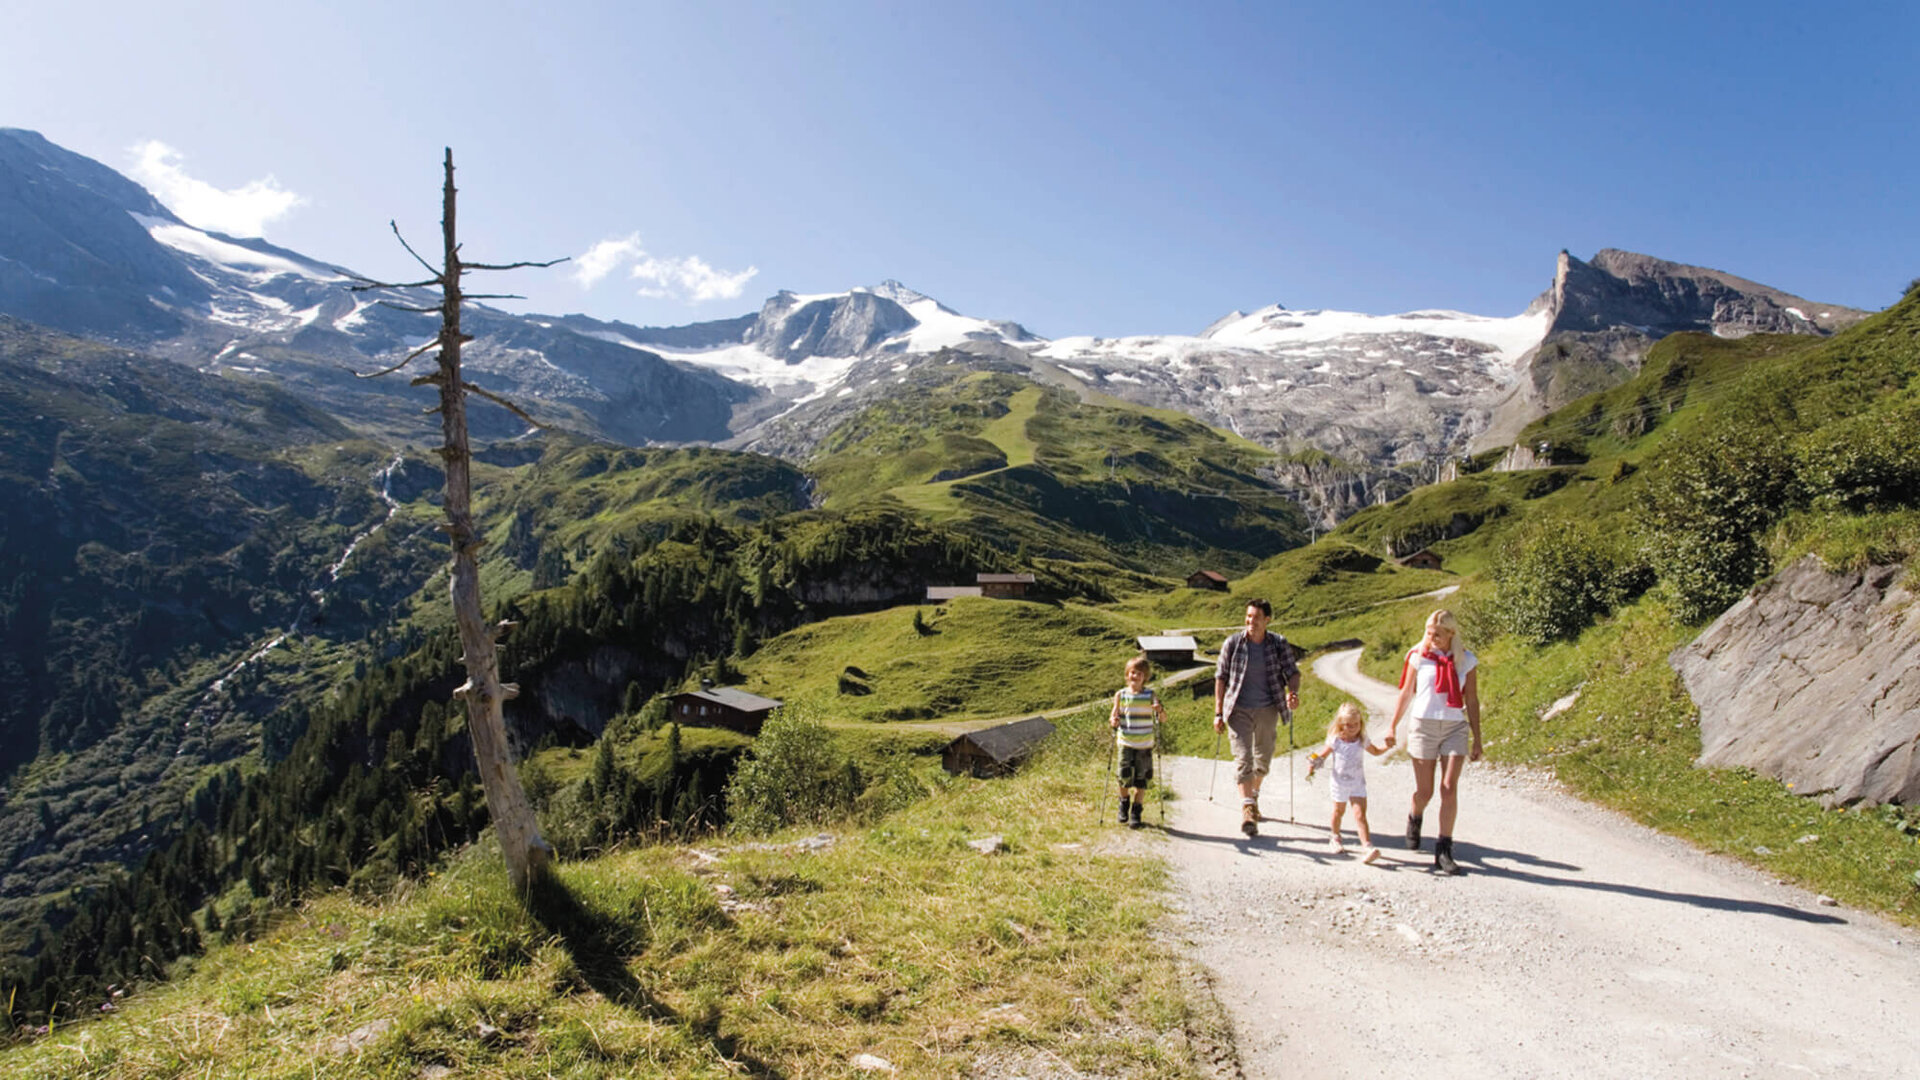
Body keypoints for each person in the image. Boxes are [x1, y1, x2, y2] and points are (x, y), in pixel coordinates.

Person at [1385, 609, 1482, 875]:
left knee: (1449, 788)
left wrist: (1477, 740)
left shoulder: (1467, 661)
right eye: (1429, 633)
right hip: (1423, 726)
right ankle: (1415, 817)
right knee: (1424, 791)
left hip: (1454, 727)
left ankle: (1444, 849)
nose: (1432, 638)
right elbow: (1405, 693)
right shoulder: (1418, 656)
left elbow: (1471, 701)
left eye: (1438, 634)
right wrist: (1392, 725)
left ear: (1452, 634)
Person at [1213, 598, 1301, 837]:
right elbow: (1220, 677)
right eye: (1248, 616)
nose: (1251, 621)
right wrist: (1218, 712)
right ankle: (1248, 810)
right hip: (1238, 709)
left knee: (1262, 761)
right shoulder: (1232, 643)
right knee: (1243, 759)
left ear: (1267, 620)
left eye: (1257, 617)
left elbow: (1292, 672)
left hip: (1268, 708)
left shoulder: (1278, 643)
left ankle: (1254, 795)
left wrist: (1292, 693)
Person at [1306, 701, 1388, 862]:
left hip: (1357, 784)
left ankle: (1367, 846)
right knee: (1338, 812)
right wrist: (1313, 764)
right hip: (1339, 783)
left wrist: (1387, 747)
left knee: (1360, 815)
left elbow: (1376, 752)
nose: (1353, 728)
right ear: (1341, 725)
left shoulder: (1362, 740)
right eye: (1348, 725)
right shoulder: (1336, 740)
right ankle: (1335, 837)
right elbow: (1322, 755)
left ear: (1360, 723)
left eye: (1356, 724)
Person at [1109, 654, 1167, 829]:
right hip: (1125, 742)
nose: (1135, 676)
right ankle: (1124, 803)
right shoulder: (1120, 695)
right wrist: (1113, 720)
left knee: (1142, 779)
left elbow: (1162, 719)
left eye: (1139, 674)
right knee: (1123, 776)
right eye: (1132, 673)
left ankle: (1136, 811)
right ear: (1127, 675)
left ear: (1145, 678)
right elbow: (1114, 715)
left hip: (1144, 744)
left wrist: (1159, 710)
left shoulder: (1151, 695)